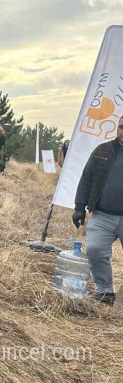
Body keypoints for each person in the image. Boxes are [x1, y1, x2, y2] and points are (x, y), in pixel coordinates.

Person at [72, 116, 123, 306]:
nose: (122, 131)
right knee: (94, 249)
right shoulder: (102, 151)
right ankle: (105, 291)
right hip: (102, 215)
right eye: (121, 127)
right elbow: (86, 179)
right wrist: (79, 208)